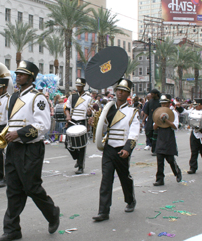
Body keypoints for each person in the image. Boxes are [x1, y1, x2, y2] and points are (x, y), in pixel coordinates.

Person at [0, 61, 59, 241]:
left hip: (31, 148)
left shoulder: (38, 98)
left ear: (31, 77)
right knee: (13, 189)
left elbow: (43, 126)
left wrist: (19, 134)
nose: (18, 76)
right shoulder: (14, 97)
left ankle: (52, 213)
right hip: (14, 147)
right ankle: (12, 229)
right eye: (17, 74)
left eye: (22, 74)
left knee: (31, 187)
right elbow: (11, 124)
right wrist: (2, 138)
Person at [92, 78, 139, 222]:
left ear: (128, 94)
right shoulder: (108, 109)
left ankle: (130, 200)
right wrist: (94, 122)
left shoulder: (133, 112)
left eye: (123, 91)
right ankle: (103, 211)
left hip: (122, 149)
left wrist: (127, 149)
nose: (120, 93)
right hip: (109, 148)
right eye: (118, 90)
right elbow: (102, 129)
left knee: (124, 177)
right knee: (106, 180)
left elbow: (134, 132)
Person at [177, 99, 202, 174]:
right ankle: (193, 167)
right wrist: (178, 106)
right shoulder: (192, 111)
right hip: (195, 133)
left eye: (197, 105)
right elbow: (184, 112)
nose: (196, 107)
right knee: (194, 151)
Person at [153, 94, 182, 186]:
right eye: (162, 104)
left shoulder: (173, 113)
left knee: (170, 159)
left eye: (165, 104)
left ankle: (177, 172)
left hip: (169, 137)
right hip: (161, 137)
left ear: (169, 103)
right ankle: (160, 179)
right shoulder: (158, 112)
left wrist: (167, 120)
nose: (163, 106)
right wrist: (159, 120)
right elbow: (154, 127)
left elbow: (175, 126)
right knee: (160, 160)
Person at [64, 78, 92, 174]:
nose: (78, 87)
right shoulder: (72, 96)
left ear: (84, 86)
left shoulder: (88, 97)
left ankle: (81, 166)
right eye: (77, 85)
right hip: (72, 121)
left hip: (82, 121)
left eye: (80, 85)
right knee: (67, 143)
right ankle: (77, 158)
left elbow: (90, 113)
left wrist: (89, 115)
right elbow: (67, 108)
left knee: (82, 146)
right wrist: (68, 116)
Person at [142, 89, 161, 156]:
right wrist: (143, 120)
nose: (151, 95)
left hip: (158, 120)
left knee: (155, 135)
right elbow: (146, 112)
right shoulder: (150, 102)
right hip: (150, 120)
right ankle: (153, 146)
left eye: (152, 94)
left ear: (156, 94)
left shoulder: (160, 102)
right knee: (148, 132)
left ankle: (155, 150)